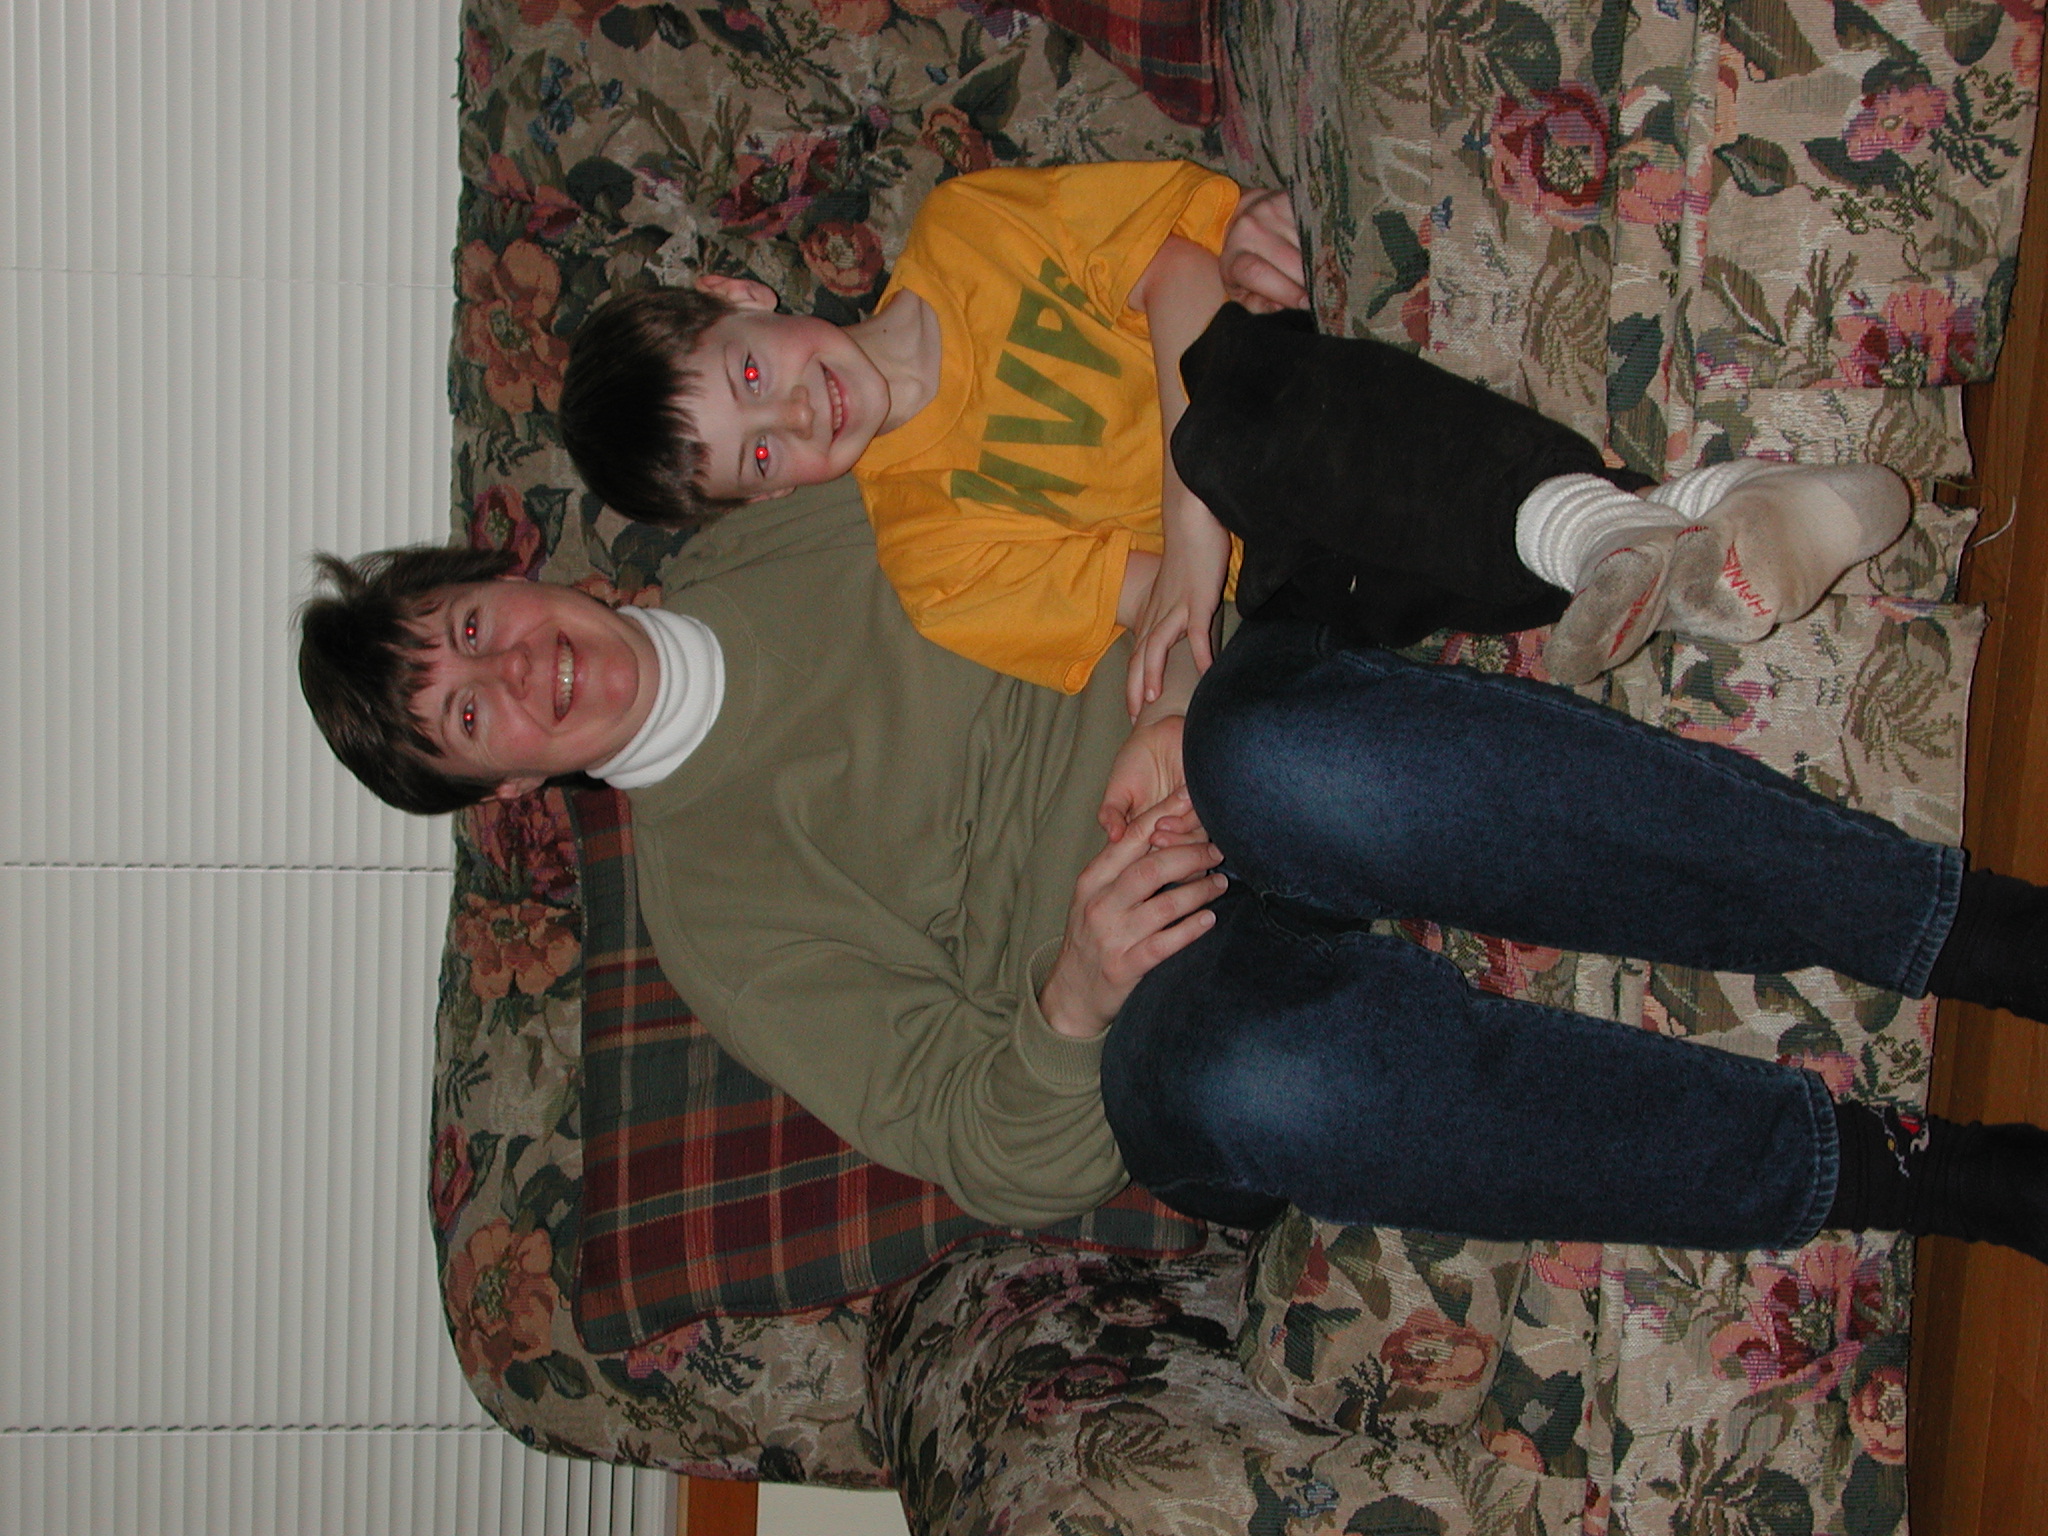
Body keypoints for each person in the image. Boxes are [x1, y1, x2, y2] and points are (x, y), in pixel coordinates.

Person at [298, 480, 2048, 1264]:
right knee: (1245, 1081)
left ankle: (1968, 933)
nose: (520, 673)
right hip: (1166, 985)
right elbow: (988, 1153)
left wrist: (1173, 646)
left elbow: (1086, 427)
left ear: (510, 570)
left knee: (1282, 756)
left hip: (1218, 704)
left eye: (474, 631)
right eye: (470, 716)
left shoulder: (784, 517)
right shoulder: (714, 919)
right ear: (505, 788)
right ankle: (1919, 1175)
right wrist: (1076, 988)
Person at [557, 161, 1910, 700]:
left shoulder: (965, 230)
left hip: (1280, 403)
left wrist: (1190, 520)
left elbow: (1181, 277)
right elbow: (1163, 605)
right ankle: (1705, 515)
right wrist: (1198, 571)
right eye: (762, 455)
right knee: (1317, 615)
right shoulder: (933, 564)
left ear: (742, 297)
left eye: (750, 376)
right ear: (770, 498)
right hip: (1297, 554)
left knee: (1231, 433)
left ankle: (1624, 528)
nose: (797, 411)